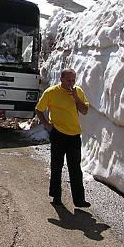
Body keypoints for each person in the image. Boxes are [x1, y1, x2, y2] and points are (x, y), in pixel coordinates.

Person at [35, 68, 91, 207]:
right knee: (56, 166)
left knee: (75, 168)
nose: (71, 83)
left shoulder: (78, 91)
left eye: (73, 80)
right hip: (58, 134)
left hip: (74, 135)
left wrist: (76, 98)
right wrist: (47, 125)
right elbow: (39, 109)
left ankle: (79, 200)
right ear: (61, 79)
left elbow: (84, 111)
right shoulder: (51, 92)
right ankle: (56, 196)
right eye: (68, 80)